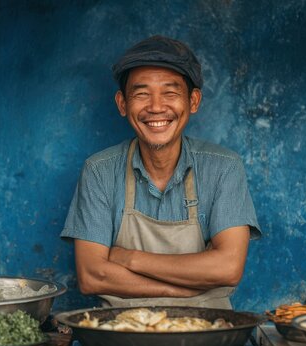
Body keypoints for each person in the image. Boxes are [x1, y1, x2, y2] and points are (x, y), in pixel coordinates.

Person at [61, 35, 261, 309]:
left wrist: (131, 259)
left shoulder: (223, 167)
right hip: (120, 339)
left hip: (208, 336)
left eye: (170, 93)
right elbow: (92, 275)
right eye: (142, 94)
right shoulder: (99, 171)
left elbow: (227, 268)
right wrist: (179, 290)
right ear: (122, 104)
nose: (156, 107)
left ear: (193, 101)